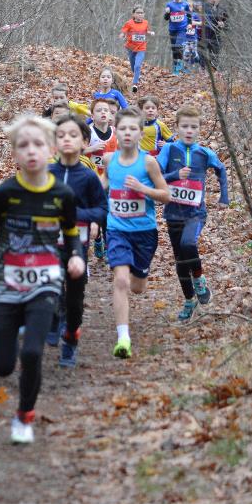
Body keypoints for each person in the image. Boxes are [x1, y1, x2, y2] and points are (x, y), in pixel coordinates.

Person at [0, 112, 85, 444]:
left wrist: (77, 255)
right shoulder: (4, 194)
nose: (31, 151)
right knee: (3, 367)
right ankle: (11, 325)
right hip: (6, 284)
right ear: (14, 154)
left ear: (51, 149)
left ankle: (24, 416)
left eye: (38, 144)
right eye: (23, 145)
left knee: (33, 353)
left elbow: (71, 234)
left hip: (45, 283)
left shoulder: (63, 195)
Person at [102, 108, 171, 358]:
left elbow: (166, 195)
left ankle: (136, 277)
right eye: (123, 129)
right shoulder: (109, 160)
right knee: (120, 280)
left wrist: (143, 188)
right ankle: (123, 338)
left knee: (138, 287)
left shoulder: (148, 162)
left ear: (141, 133)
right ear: (116, 132)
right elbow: (103, 187)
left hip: (144, 232)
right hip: (117, 230)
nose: (128, 133)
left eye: (133, 129)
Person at [156, 105, 229, 320]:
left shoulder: (204, 153)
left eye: (193, 127)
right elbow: (158, 174)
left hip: (196, 213)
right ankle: (189, 300)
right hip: (172, 212)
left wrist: (224, 197)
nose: (189, 130)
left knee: (189, 245)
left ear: (199, 129)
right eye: (185, 126)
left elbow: (221, 169)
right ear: (177, 128)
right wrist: (174, 175)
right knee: (180, 262)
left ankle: (199, 280)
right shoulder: (168, 150)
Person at [48, 114, 108, 367]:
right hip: (47, 244)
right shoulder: (45, 173)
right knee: (50, 286)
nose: (66, 140)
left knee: (74, 298)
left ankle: (71, 339)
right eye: (61, 135)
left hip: (76, 247)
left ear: (85, 142)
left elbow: (102, 210)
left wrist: (77, 215)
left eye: (73, 135)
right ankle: (53, 320)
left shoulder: (88, 177)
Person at [85, 98, 118, 259]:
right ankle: (98, 239)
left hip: (111, 181)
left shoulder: (116, 132)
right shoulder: (87, 132)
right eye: (99, 110)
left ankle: (109, 245)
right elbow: (76, 152)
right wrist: (91, 149)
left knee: (110, 216)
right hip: (92, 182)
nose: (103, 113)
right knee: (98, 216)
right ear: (92, 115)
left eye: (106, 110)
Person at [119, 5, 155, 93]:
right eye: (138, 13)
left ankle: (135, 84)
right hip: (130, 48)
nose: (140, 15)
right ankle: (136, 75)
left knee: (137, 65)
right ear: (133, 14)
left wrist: (150, 32)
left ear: (144, 14)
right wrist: (122, 35)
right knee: (133, 66)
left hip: (141, 48)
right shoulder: (129, 23)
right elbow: (124, 31)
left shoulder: (146, 23)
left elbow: (147, 30)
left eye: (142, 13)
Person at [164, 0, 192, 75]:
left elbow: (189, 15)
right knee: (174, 49)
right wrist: (167, 13)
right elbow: (166, 18)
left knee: (178, 46)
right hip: (172, 29)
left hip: (182, 29)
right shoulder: (169, 4)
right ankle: (176, 68)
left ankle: (179, 65)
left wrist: (190, 24)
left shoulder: (185, 4)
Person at [200, 0, 228, 70]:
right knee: (203, 57)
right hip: (203, 36)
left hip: (216, 37)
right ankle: (202, 73)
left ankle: (214, 75)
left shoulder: (222, 10)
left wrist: (223, 24)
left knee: (215, 58)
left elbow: (228, 25)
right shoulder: (203, 7)